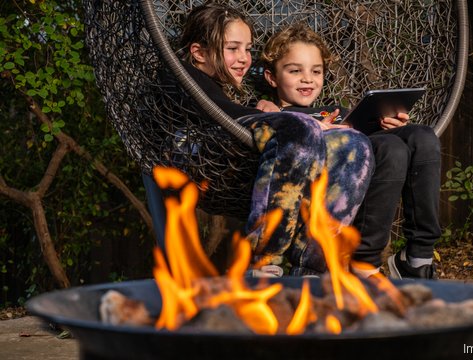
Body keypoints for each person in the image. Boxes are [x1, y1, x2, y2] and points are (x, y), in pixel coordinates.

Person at [151, 3, 374, 277]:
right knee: (297, 128)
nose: (244, 58)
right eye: (232, 48)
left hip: (240, 153)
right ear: (199, 53)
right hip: (202, 163)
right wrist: (277, 117)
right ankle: (263, 258)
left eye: (247, 48)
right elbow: (219, 113)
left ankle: (314, 264)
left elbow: (228, 111)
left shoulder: (217, 87)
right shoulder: (178, 76)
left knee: (355, 144)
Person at [259, 23, 441, 279]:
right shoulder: (274, 111)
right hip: (327, 173)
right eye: (294, 70)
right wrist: (293, 119)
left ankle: (418, 256)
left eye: (316, 71)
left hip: (363, 153)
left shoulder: (334, 111)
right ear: (272, 77)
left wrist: (388, 124)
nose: (307, 78)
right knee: (391, 148)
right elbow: (273, 136)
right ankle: (365, 262)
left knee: (422, 137)